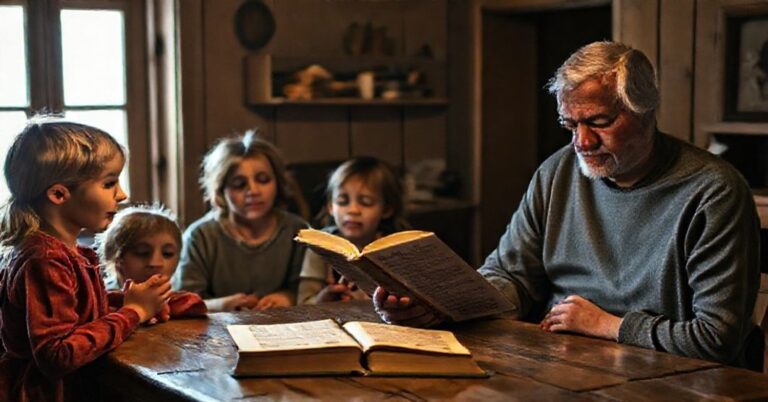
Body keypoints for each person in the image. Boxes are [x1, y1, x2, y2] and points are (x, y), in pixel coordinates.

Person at [373, 41, 762, 369]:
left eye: (599, 121)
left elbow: (716, 339)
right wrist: (446, 306)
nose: (582, 143)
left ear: (644, 110)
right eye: (570, 125)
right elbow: (511, 275)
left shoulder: (713, 191)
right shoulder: (558, 172)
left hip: (671, 376)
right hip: (563, 363)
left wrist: (606, 324)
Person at [0, 119, 172, 402]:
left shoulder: (64, 250)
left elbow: (76, 312)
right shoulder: (44, 259)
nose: (122, 194)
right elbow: (58, 354)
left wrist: (137, 300)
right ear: (59, 194)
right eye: (109, 183)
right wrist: (134, 313)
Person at [173, 130, 307, 312]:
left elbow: (308, 290)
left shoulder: (298, 231)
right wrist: (222, 305)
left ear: (278, 183)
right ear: (221, 190)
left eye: (263, 180)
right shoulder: (201, 236)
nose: (253, 191)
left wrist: (286, 297)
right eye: (239, 184)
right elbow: (182, 302)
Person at [297, 157, 408, 304]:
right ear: (330, 206)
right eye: (343, 202)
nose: (353, 210)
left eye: (366, 202)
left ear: (386, 209)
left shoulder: (394, 249)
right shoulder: (318, 247)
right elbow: (303, 302)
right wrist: (323, 299)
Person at [96, 204, 207, 319]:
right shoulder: (100, 303)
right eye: (142, 253)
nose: (155, 263)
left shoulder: (181, 303)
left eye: (167, 253)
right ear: (117, 258)